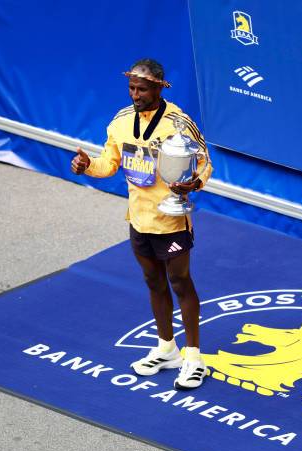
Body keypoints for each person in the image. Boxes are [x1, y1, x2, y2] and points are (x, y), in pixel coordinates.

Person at [71, 59, 212, 389]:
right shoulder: (120, 122)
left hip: (172, 219)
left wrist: (193, 184)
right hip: (138, 217)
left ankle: (194, 357)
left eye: (143, 89)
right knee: (153, 281)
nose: (136, 94)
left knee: (180, 282)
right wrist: (87, 164)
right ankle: (167, 349)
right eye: (132, 88)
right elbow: (109, 164)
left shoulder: (178, 123)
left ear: (160, 88)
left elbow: (204, 162)